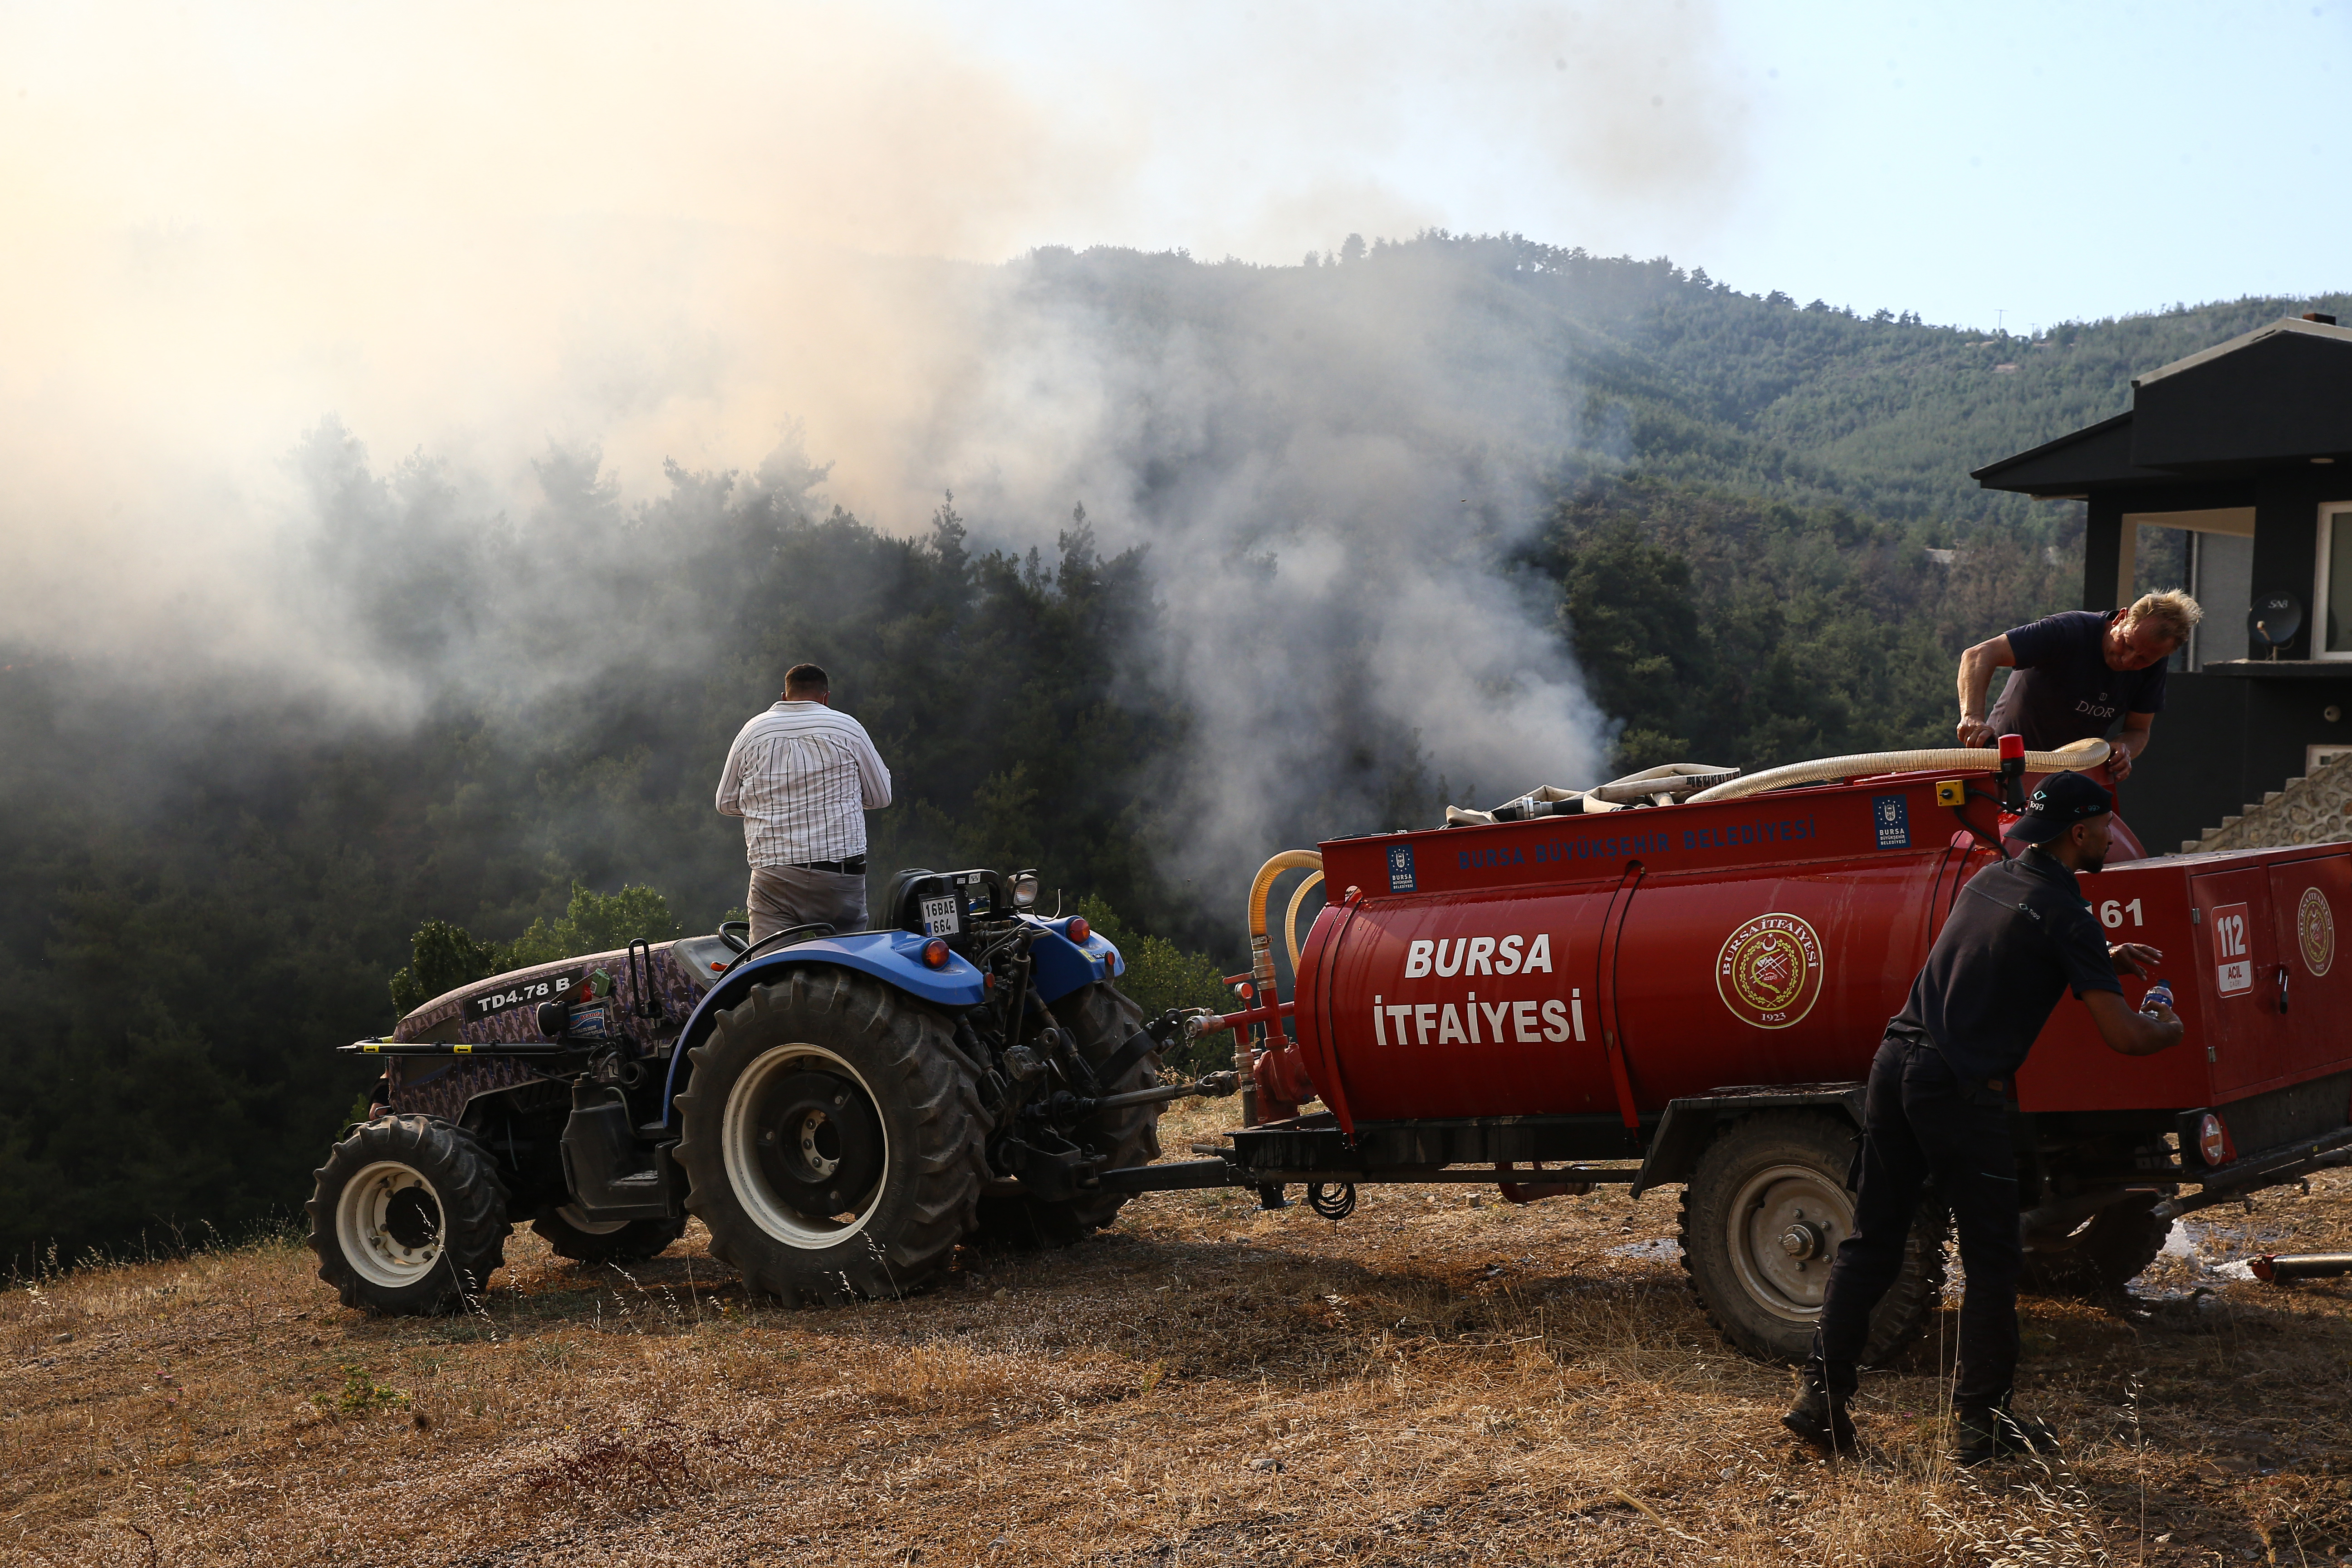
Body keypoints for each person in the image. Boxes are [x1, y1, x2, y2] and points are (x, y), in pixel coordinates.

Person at [1783, 771, 2184, 1465]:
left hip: (1894, 1066)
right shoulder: (2067, 912)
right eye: (2102, 830)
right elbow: (2125, 1036)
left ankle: (1820, 1402)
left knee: (1872, 1242)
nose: (2108, 841)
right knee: (1994, 1257)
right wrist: (2167, 1028)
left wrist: (2097, 960)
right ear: (2081, 833)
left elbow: (2003, 957)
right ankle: (1980, 1424)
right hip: (1960, 1088)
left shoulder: (1991, 883)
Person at [715, 663, 892, 943]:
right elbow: (881, 797)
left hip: (773, 874)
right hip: (839, 873)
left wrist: (769, 808)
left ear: (784, 696)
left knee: (769, 970)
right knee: (849, 965)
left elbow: (725, 803)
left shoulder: (752, 732)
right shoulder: (848, 728)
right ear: (826, 697)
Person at [1954, 590, 2202, 782]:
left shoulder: (2154, 664)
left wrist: (2123, 748)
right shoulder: (2068, 631)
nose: (2128, 660)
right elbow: (1978, 655)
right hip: (2005, 765)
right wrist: (1972, 717)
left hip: (2070, 777)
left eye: (2143, 660)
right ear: (2121, 618)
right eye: (2126, 644)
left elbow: (2138, 730)